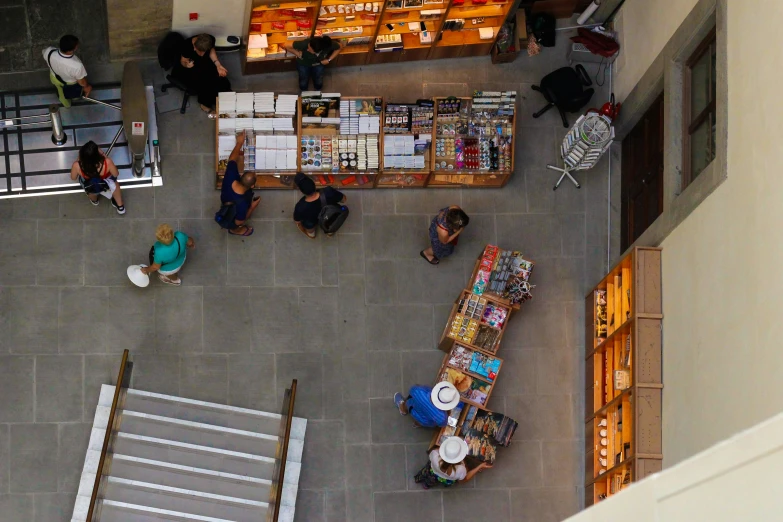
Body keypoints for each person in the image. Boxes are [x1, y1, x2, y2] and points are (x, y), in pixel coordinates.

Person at [171, 33, 232, 117]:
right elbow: (183, 61)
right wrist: (187, 65)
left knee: (219, 78)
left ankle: (222, 97)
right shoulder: (187, 45)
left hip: (204, 62)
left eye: (204, 52)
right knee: (204, 83)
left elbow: (212, 51)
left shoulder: (210, 39)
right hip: (190, 67)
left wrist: (218, 64)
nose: (202, 54)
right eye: (200, 51)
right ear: (194, 47)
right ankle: (205, 105)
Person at [220, 131, 260, 236]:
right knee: (236, 224)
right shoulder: (242, 204)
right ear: (252, 186)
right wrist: (252, 207)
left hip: (227, 200)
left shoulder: (231, 176)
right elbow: (240, 221)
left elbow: (232, 159)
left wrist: (239, 143)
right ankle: (235, 230)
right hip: (232, 215)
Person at [413, 436, 492, 489]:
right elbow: (464, 479)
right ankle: (427, 485)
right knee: (435, 481)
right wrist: (480, 466)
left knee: (428, 476)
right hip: (446, 479)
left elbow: (440, 450)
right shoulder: (461, 469)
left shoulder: (434, 454)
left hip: (433, 470)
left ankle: (422, 482)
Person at [69, 141, 126, 214]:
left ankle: (94, 201)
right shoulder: (107, 162)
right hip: (106, 182)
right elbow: (115, 174)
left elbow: (73, 178)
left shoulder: (77, 165)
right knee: (115, 184)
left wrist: (78, 159)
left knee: (91, 191)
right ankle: (120, 206)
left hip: (90, 184)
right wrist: (104, 155)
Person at [43, 35, 92, 107]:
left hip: (54, 77)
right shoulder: (77, 65)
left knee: (60, 92)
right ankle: (73, 99)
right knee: (72, 94)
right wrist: (87, 87)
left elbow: (44, 53)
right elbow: (81, 82)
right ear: (73, 49)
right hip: (70, 84)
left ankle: (66, 104)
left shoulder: (49, 51)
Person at [293, 172, 346, 239]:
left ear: (302, 191)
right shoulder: (328, 191)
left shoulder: (300, 206)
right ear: (314, 185)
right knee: (332, 220)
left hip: (313, 220)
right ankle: (330, 232)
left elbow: (297, 221)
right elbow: (344, 199)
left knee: (308, 224)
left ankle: (312, 234)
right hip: (330, 214)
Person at [393, 382, 460, 428]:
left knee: (408, 402)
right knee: (422, 421)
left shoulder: (418, 390)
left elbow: (413, 389)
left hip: (414, 409)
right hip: (425, 422)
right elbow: (442, 424)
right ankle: (417, 424)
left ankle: (403, 409)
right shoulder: (442, 418)